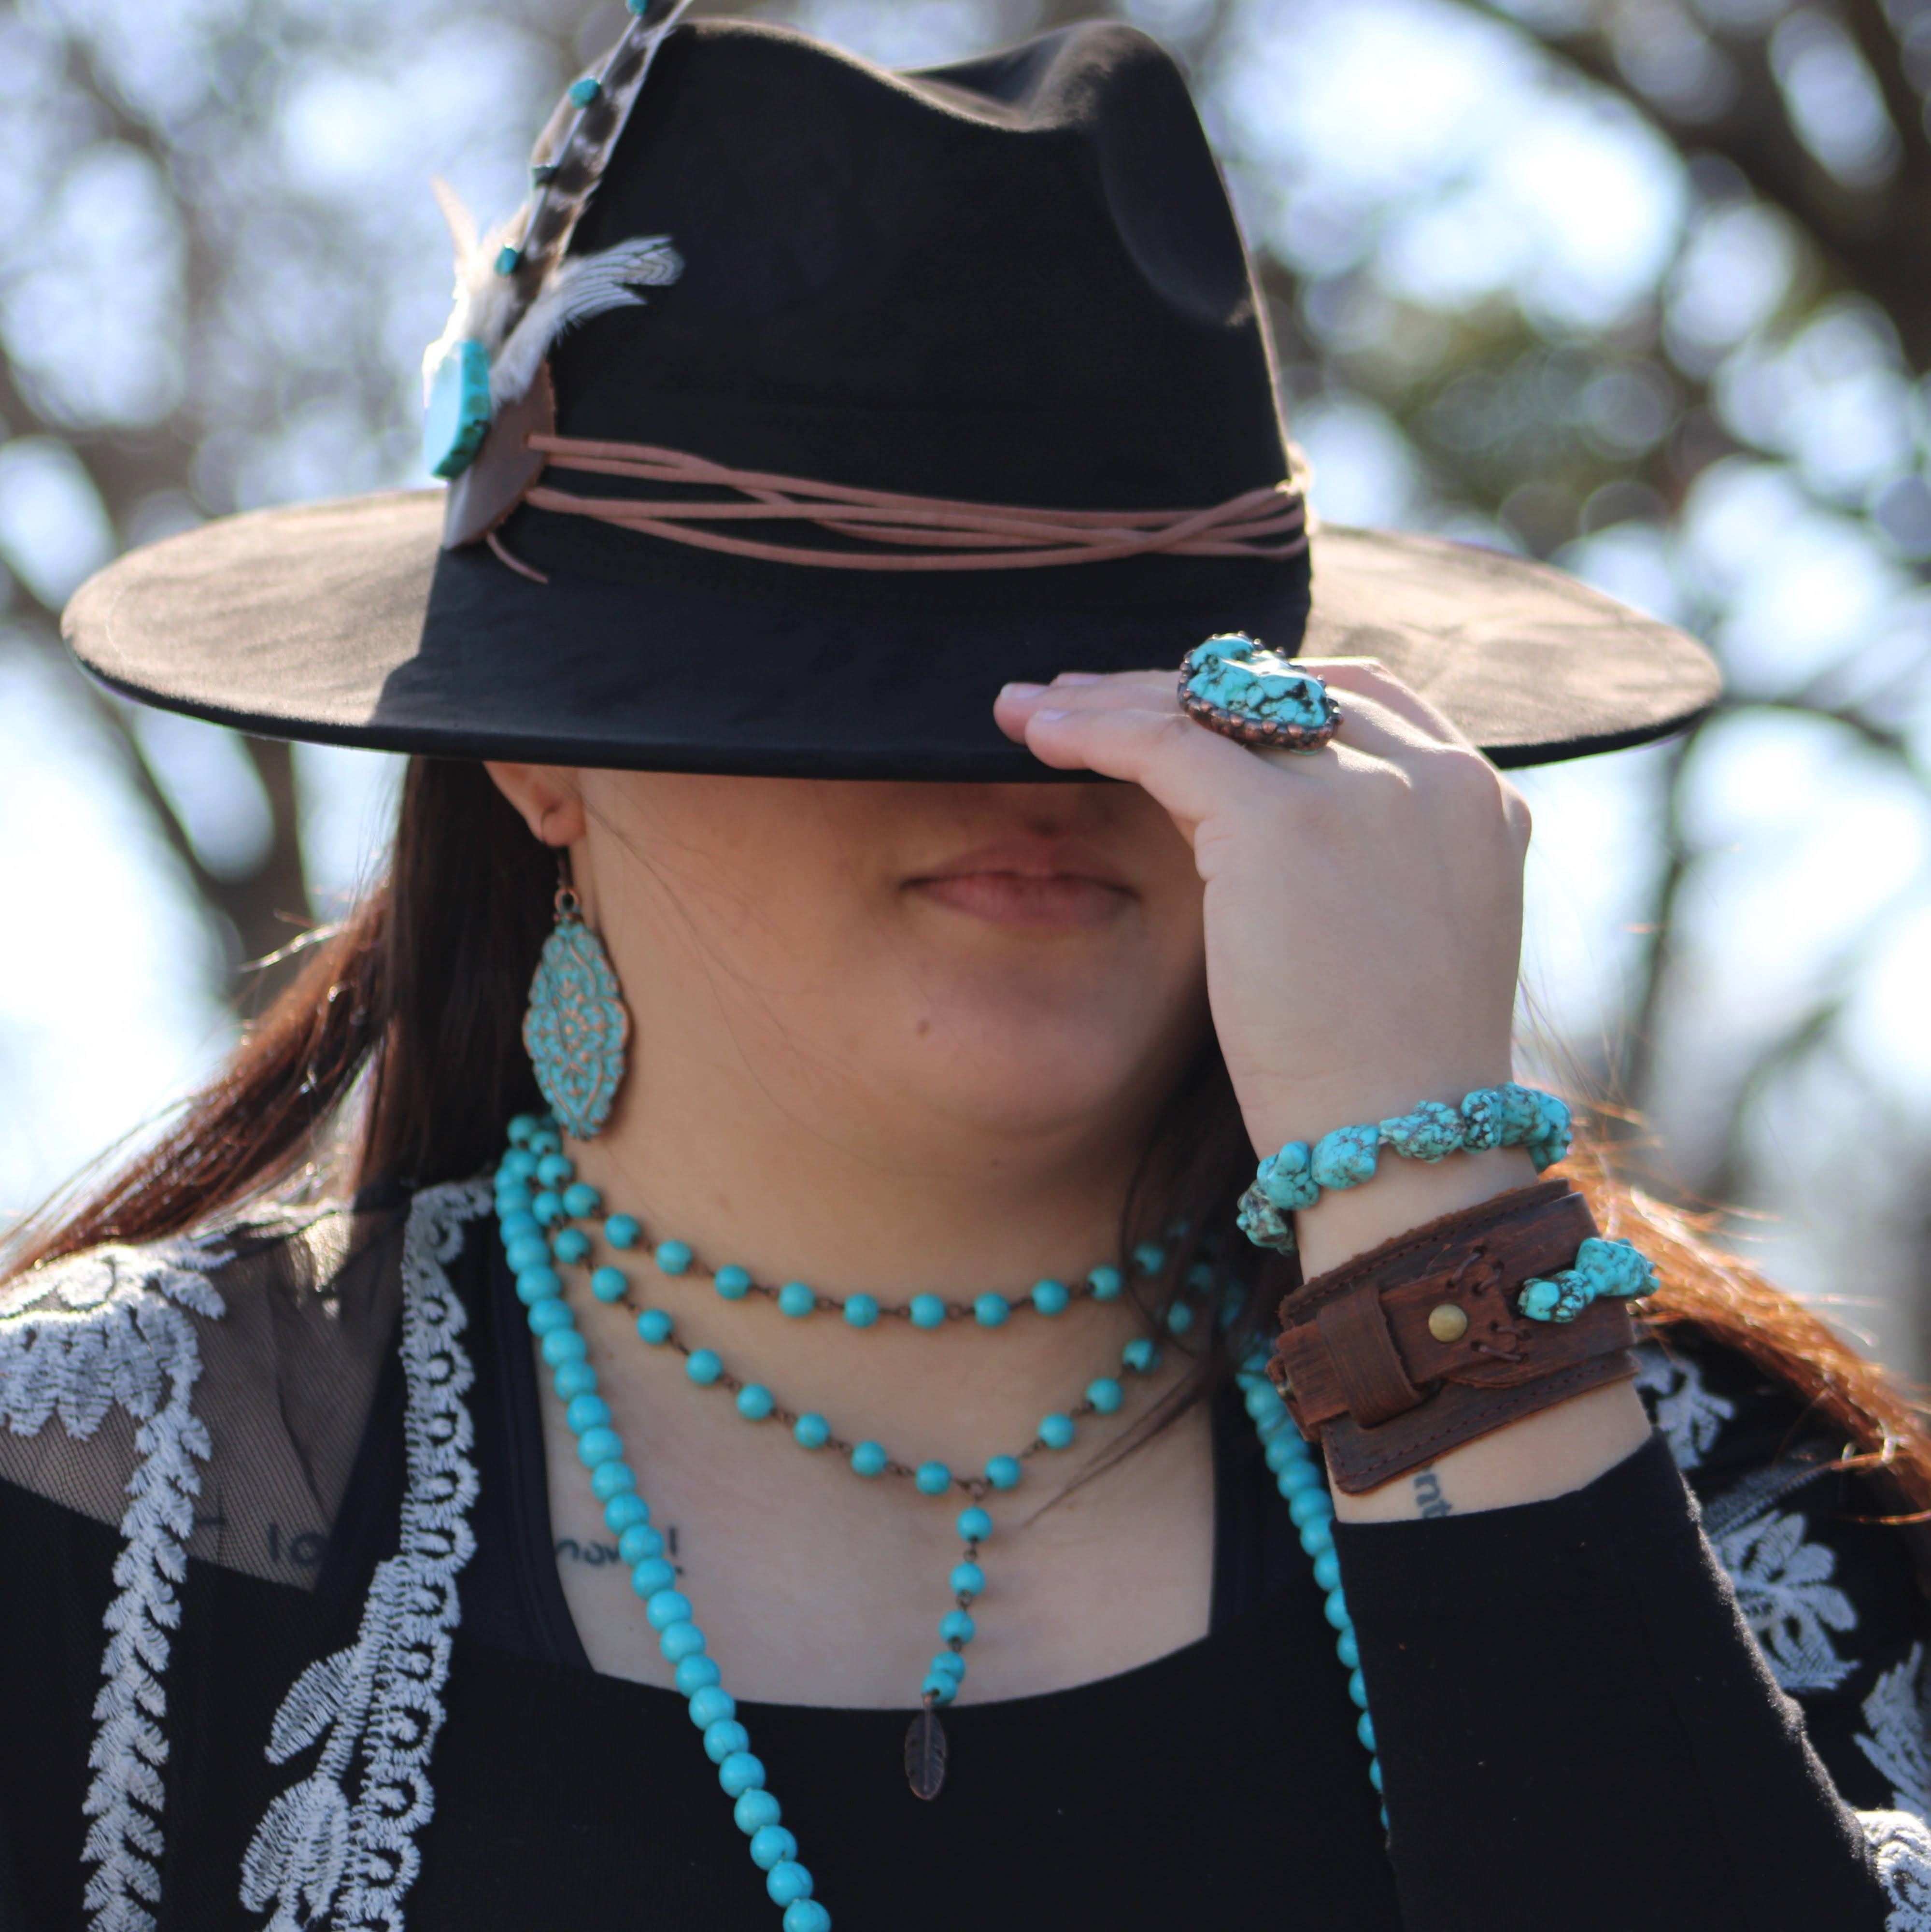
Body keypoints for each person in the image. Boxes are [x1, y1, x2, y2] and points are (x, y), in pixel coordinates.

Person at [6, 11, 1930, 1930]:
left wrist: (1434, 1235)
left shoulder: (1727, 1486)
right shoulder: (97, 1486)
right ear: (539, 751)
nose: (1049, 757)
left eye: (1159, 681)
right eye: (864, 675)